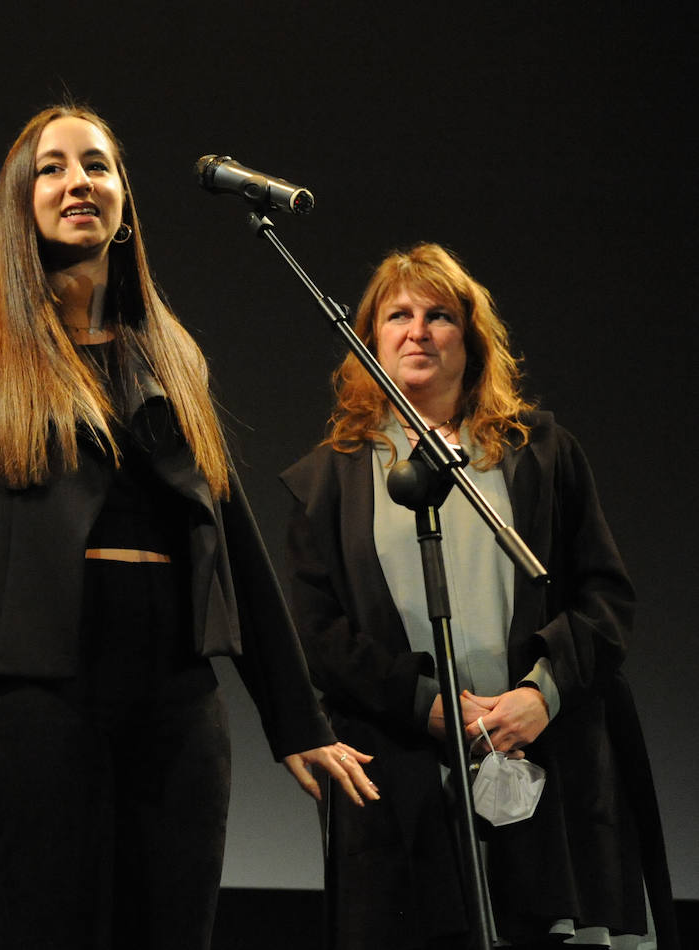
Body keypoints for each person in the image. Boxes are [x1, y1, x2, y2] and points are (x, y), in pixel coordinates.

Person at [0, 104, 378, 949]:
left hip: (179, 701)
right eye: (52, 168)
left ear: (124, 202)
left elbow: (231, 539)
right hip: (37, 703)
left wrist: (297, 721)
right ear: (21, 203)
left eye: (97, 165)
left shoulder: (172, 355)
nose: (78, 182)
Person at [280, 243, 677, 949]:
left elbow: (605, 598)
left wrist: (539, 696)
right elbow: (319, 636)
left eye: (440, 316)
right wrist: (425, 705)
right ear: (368, 339)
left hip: (542, 752)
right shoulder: (326, 480)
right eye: (398, 315)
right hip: (403, 770)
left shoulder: (540, 451)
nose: (418, 331)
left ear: (471, 339)